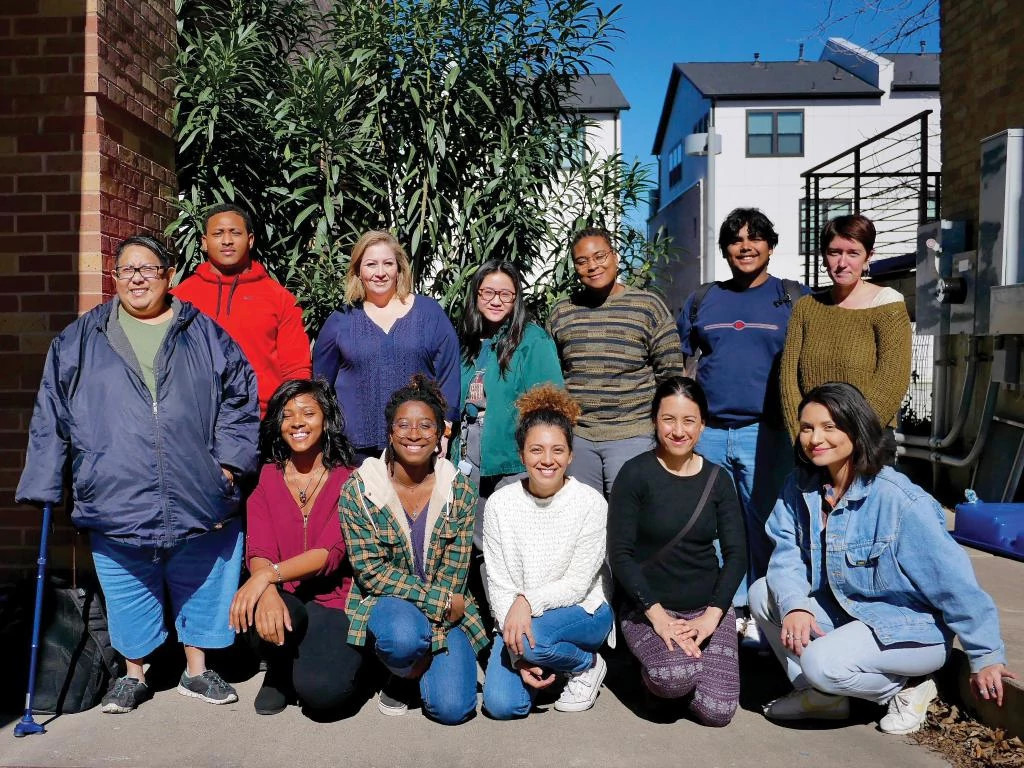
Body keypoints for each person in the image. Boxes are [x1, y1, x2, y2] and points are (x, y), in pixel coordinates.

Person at [16, 235, 259, 714]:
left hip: (198, 486)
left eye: (148, 269)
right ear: (114, 279)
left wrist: (229, 465)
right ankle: (134, 674)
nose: (137, 278)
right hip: (113, 489)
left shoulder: (205, 334)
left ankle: (197, 668)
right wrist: (47, 481)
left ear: (169, 276)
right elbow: (52, 414)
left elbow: (240, 398)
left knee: (203, 576)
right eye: (127, 270)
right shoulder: (79, 339)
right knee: (127, 584)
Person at [751, 382, 1017, 734]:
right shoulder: (799, 487)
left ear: (856, 429)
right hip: (849, 615)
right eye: (807, 428)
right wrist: (796, 605)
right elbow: (786, 556)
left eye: (830, 427)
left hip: (910, 630)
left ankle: (907, 687)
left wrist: (985, 656)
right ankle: (824, 696)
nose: (816, 438)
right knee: (763, 592)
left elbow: (954, 583)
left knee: (819, 662)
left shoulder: (899, 501)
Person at [677, 208, 807, 646]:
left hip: (766, 431)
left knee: (769, 524)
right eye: (736, 240)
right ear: (725, 249)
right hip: (709, 432)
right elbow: (680, 359)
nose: (745, 246)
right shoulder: (703, 300)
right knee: (713, 524)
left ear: (771, 245)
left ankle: (765, 610)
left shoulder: (793, 297)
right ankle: (727, 610)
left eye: (755, 239)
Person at [339, 375, 486, 724]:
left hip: (447, 608)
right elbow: (371, 572)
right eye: (403, 425)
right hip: (388, 602)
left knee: (453, 708)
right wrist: (438, 603)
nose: (414, 433)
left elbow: (454, 572)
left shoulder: (459, 491)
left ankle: (410, 672)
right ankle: (399, 665)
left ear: (440, 434)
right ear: (390, 433)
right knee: (404, 637)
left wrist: (440, 614)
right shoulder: (360, 491)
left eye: (425, 425)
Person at [608, 376, 746, 726]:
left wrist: (711, 617)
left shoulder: (718, 480)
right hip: (649, 608)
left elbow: (737, 554)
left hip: (706, 608)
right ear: (655, 420)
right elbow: (620, 554)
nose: (679, 430)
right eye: (669, 419)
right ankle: (654, 675)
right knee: (673, 678)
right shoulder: (635, 474)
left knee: (718, 711)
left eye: (689, 421)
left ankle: (687, 668)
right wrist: (658, 616)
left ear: (703, 425)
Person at [228, 378, 365, 716]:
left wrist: (264, 578)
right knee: (260, 610)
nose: (298, 423)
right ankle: (278, 668)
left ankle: (356, 665)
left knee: (324, 695)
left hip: (332, 599)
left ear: (326, 419)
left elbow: (328, 554)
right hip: (285, 594)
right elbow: (258, 548)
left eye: (308, 413)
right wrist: (269, 589)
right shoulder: (268, 476)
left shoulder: (349, 478)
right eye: (287, 416)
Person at [481, 385, 613, 719]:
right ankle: (550, 660)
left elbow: (578, 583)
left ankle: (587, 664)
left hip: (584, 611)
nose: (547, 460)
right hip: (521, 620)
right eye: (536, 450)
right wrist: (517, 653)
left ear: (570, 455)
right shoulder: (500, 503)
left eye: (557, 450)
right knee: (501, 705)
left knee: (533, 640)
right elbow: (498, 582)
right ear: (522, 453)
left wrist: (527, 603)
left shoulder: (590, 503)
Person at [454, 259, 564, 609]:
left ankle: (528, 628)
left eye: (506, 293)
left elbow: (551, 405)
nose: (497, 300)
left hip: (512, 466)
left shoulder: (532, 340)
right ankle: (501, 626)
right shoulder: (467, 342)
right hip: (469, 467)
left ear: (517, 298)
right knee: (483, 551)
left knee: (517, 553)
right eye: (488, 292)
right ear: (475, 295)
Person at [548, 226, 685, 497]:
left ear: (615, 256)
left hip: (633, 434)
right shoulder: (562, 312)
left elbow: (670, 376)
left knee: (629, 521)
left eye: (600, 256)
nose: (593, 266)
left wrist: (664, 429)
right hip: (579, 437)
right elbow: (554, 376)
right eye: (582, 261)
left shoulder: (648, 306)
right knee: (584, 520)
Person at [314, 231, 460, 463]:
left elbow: (449, 374)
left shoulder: (429, 314)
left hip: (418, 444)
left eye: (388, 264)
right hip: (355, 452)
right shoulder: (341, 320)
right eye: (371, 264)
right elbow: (320, 386)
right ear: (358, 272)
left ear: (399, 269)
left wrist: (445, 429)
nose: (380, 273)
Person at [780, 214, 911, 443]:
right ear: (823, 256)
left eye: (853, 253)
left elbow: (891, 381)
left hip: (868, 440)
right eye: (834, 252)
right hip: (814, 442)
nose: (842, 263)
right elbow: (789, 379)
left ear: (868, 257)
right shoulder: (806, 308)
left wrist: (851, 436)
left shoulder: (887, 304)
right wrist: (802, 434)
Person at [173, 203, 312, 417]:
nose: (227, 240)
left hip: (261, 420)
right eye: (218, 233)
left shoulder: (280, 299)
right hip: (193, 418)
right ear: (204, 242)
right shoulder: (180, 299)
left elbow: (296, 369)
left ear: (250, 240)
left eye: (235, 233)